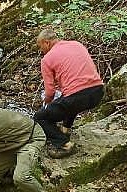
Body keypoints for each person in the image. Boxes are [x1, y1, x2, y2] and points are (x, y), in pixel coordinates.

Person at [34, 28, 104, 158]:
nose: (41, 50)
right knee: (69, 101)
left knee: (40, 117)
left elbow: (50, 91)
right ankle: (65, 129)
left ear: (46, 42)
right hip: (97, 91)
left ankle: (64, 144)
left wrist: (47, 104)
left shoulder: (47, 59)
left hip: (77, 96)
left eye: (40, 46)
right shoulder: (76, 44)